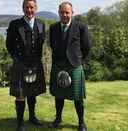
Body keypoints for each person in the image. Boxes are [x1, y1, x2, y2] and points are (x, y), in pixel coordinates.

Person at [49, 2, 91, 131]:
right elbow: (52, 45)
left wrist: (78, 61)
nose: (64, 15)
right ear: (59, 13)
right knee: (58, 96)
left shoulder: (81, 27)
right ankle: (58, 118)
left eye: (67, 12)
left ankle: (81, 122)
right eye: (62, 12)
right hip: (58, 65)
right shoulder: (53, 28)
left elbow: (87, 47)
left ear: (72, 13)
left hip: (74, 66)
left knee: (77, 98)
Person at [6, 0, 46, 131]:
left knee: (33, 92)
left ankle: (32, 117)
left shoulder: (41, 24)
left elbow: (41, 44)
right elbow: (9, 44)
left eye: (32, 7)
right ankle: (20, 123)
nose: (29, 10)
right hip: (21, 63)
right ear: (23, 8)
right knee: (21, 93)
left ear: (36, 8)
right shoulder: (15, 24)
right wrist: (16, 58)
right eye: (27, 7)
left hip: (35, 63)